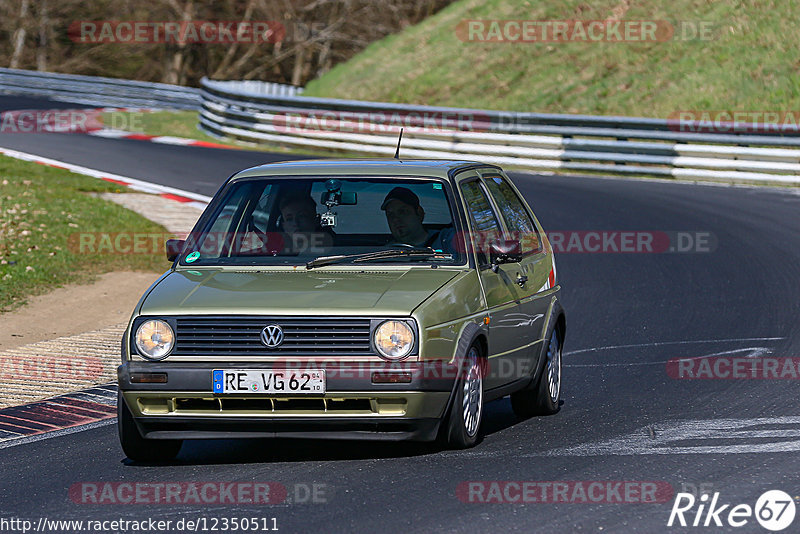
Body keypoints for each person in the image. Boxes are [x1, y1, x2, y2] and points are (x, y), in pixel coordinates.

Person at [380, 187, 454, 252]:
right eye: (390, 215)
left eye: (402, 212)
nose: (395, 219)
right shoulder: (385, 253)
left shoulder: (445, 239)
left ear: (419, 213)